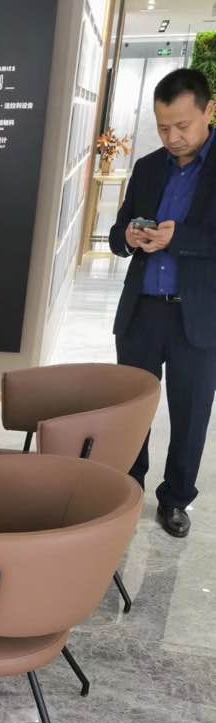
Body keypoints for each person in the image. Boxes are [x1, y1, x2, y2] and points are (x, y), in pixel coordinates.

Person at [110, 68, 216, 539]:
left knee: (191, 412)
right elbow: (116, 233)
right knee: (132, 407)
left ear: (209, 111)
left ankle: (175, 499)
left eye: (182, 126)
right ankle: (129, 486)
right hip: (143, 310)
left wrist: (180, 239)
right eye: (163, 127)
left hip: (198, 315)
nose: (173, 138)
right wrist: (129, 237)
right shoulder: (149, 167)